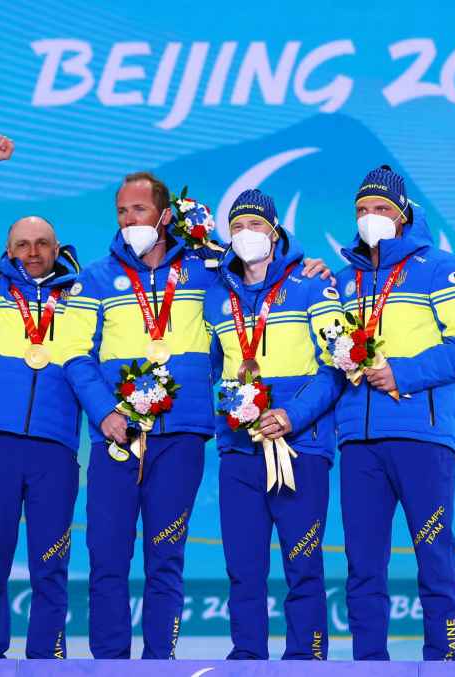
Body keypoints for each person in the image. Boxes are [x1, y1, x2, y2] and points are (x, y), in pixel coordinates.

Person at [64, 173, 331, 659]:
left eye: (139, 211)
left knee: (166, 557)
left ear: (165, 216)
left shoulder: (210, 272)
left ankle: (160, 662)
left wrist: (313, 266)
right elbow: (75, 354)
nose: (129, 221)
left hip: (183, 434)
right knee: (106, 556)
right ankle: (108, 665)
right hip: (118, 433)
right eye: (122, 212)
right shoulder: (96, 278)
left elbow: (263, 278)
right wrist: (103, 412)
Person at [0, 134, 96, 659]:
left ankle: (47, 657)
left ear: (58, 251)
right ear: (8, 252)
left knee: (52, 561)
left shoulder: (84, 301)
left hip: (54, 445)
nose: (33, 253)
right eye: (23, 245)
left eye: (43, 244)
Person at [334, 165, 455, 661]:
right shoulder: (343, 279)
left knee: (433, 554)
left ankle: (443, 662)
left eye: (380, 209)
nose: (369, 218)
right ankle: (367, 666)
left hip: (422, 437)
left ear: (402, 215)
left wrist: (402, 373)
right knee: (362, 565)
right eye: (361, 210)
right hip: (358, 441)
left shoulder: (441, 268)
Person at [204, 189, 343, 660]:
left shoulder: (312, 285)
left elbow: (335, 367)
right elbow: (215, 369)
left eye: (256, 226)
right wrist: (234, 410)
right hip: (240, 451)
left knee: (303, 563)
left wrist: (290, 415)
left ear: (275, 230)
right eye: (238, 227)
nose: (247, 235)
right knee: (243, 566)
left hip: (302, 449)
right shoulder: (216, 294)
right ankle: (246, 657)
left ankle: (308, 657)